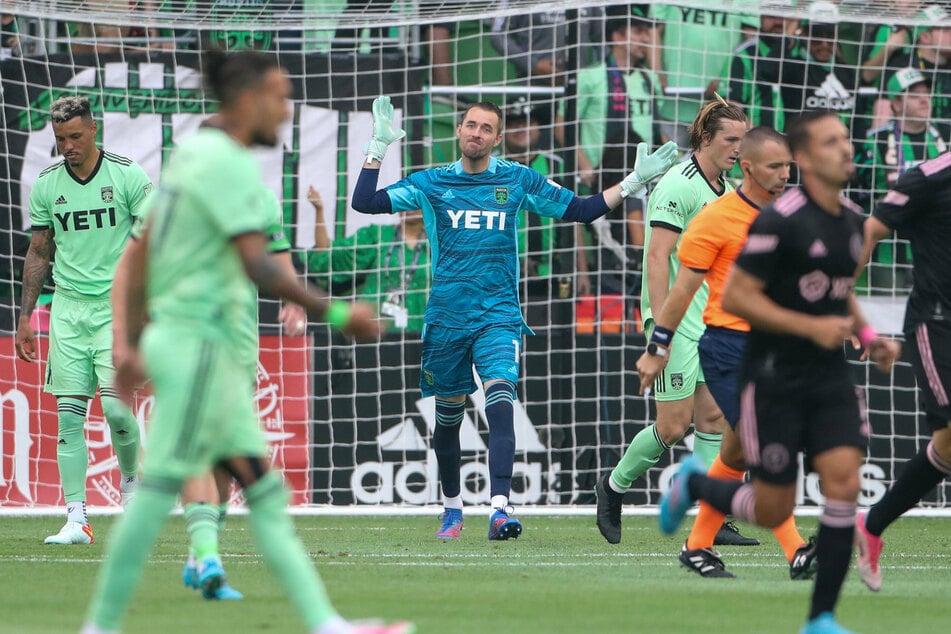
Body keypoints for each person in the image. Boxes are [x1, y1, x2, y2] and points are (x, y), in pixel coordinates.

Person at [79, 49, 411, 634]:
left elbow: (142, 251)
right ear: (249, 98)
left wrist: (130, 343)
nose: (286, 110)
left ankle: (325, 623)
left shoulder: (192, 156)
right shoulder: (225, 165)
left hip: (199, 346)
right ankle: (100, 626)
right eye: (280, 96)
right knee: (157, 489)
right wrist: (336, 312)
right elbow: (259, 266)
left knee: (261, 486)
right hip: (198, 344)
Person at [351, 95, 678, 540]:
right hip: (446, 320)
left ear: (498, 139)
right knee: (448, 421)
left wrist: (635, 180)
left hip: (499, 316)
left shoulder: (517, 179)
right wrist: (378, 146)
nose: (476, 133)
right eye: (471, 125)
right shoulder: (431, 183)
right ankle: (452, 509)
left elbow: (581, 210)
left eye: (486, 129)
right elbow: (364, 202)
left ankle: (500, 509)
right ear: (459, 131)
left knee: (500, 400)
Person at [657, 110, 901, 634]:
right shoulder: (774, 221)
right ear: (809, 157)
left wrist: (868, 338)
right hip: (766, 368)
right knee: (771, 505)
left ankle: (821, 617)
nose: (846, 147)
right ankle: (696, 486)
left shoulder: (854, 220)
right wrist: (805, 328)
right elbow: (738, 296)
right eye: (832, 141)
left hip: (827, 374)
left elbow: (840, 292)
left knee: (843, 483)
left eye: (845, 138)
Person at [634, 126, 817, 579]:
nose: (783, 175)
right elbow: (682, 289)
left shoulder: (789, 216)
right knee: (763, 445)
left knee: (735, 453)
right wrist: (658, 344)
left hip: (771, 346)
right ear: (749, 167)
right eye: (774, 167)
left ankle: (697, 543)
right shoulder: (714, 218)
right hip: (727, 348)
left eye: (787, 166)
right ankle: (796, 550)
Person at [594, 98, 759, 548]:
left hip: (712, 320)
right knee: (671, 426)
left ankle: (713, 517)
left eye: (743, 141)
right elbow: (656, 256)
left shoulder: (726, 189)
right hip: (676, 321)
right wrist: (659, 331)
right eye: (730, 140)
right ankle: (612, 488)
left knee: (715, 419)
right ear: (705, 139)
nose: (737, 149)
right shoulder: (676, 186)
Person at [16, 95, 147, 545]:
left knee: (117, 412)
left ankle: (131, 490)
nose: (68, 146)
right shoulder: (48, 185)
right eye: (60, 139)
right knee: (68, 419)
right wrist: (26, 316)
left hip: (115, 310)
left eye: (74, 136)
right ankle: (77, 519)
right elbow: (39, 251)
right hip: (68, 312)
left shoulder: (127, 175)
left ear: (94, 130)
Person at [853, 150, 951, 594]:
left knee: (947, 450)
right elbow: (870, 231)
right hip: (937, 323)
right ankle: (869, 526)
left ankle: (870, 525)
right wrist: (847, 310)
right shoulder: (929, 177)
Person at [857, 67, 947, 293]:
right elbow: (860, 189)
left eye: (926, 94)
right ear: (896, 104)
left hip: (936, 251)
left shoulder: (945, 138)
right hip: (888, 252)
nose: (924, 101)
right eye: (915, 96)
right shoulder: (873, 142)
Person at [307, 186, 430, 333]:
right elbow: (329, 257)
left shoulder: (438, 242)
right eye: (404, 198)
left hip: (424, 331)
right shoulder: (376, 236)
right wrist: (319, 211)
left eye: (414, 200)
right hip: (376, 330)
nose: (409, 205)